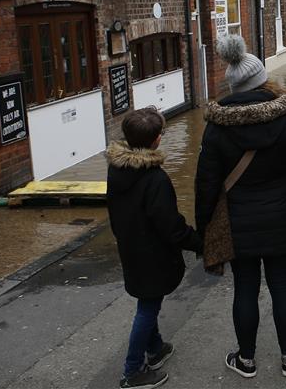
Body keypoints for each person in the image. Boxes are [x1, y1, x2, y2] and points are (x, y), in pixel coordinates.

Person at [195, 35, 286, 379]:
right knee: (282, 284)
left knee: (245, 288)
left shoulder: (216, 129)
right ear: (262, 80)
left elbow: (205, 184)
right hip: (279, 215)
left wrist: (204, 230)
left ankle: (246, 360)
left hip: (237, 219)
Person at [106, 106, 203, 389]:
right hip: (153, 254)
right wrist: (198, 242)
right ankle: (132, 371)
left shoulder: (117, 170)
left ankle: (156, 348)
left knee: (146, 300)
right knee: (147, 308)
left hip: (130, 248)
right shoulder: (155, 179)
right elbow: (170, 226)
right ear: (156, 140)